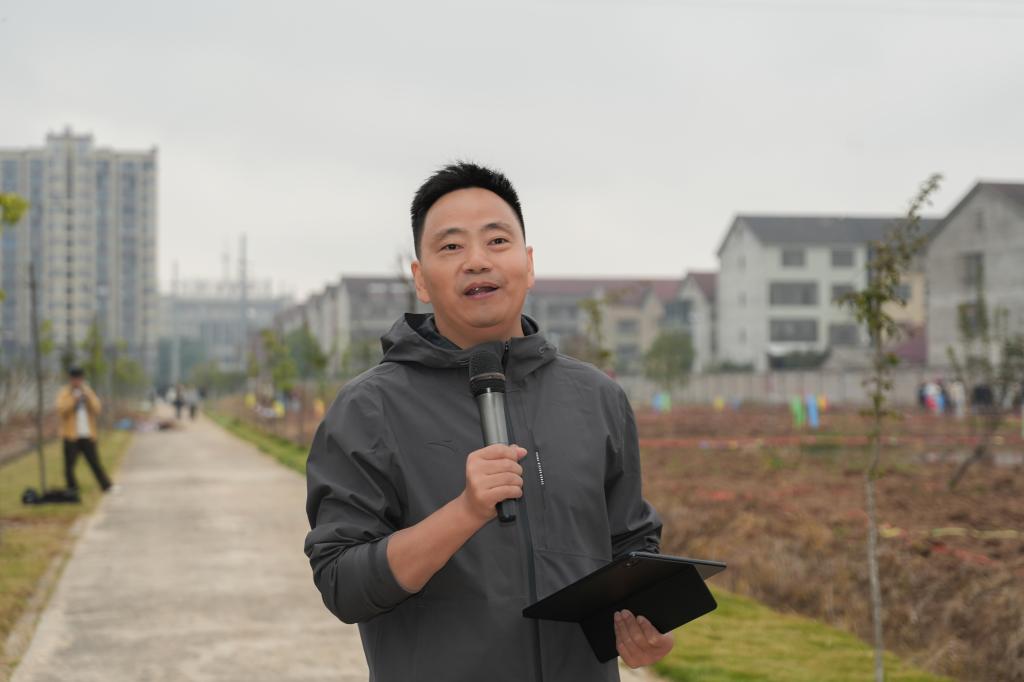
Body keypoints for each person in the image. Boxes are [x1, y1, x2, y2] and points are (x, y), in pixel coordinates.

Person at [305, 163, 670, 681]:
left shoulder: (597, 397)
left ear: (528, 263)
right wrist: (465, 512)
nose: (477, 260)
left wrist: (648, 621)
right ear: (420, 279)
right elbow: (344, 584)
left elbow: (632, 546)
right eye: (452, 246)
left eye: (497, 240)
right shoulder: (369, 408)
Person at [55, 366, 112, 493]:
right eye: (74, 378)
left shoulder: (87, 391)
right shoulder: (65, 392)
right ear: (70, 379)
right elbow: (60, 409)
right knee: (69, 466)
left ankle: (106, 486)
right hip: (71, 435)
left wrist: (88, 398)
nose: (77, 381)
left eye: (79, 378)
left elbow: (97, 408)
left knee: (95, 463)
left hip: (87, 434)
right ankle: (72, 489)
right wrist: (73, 400)